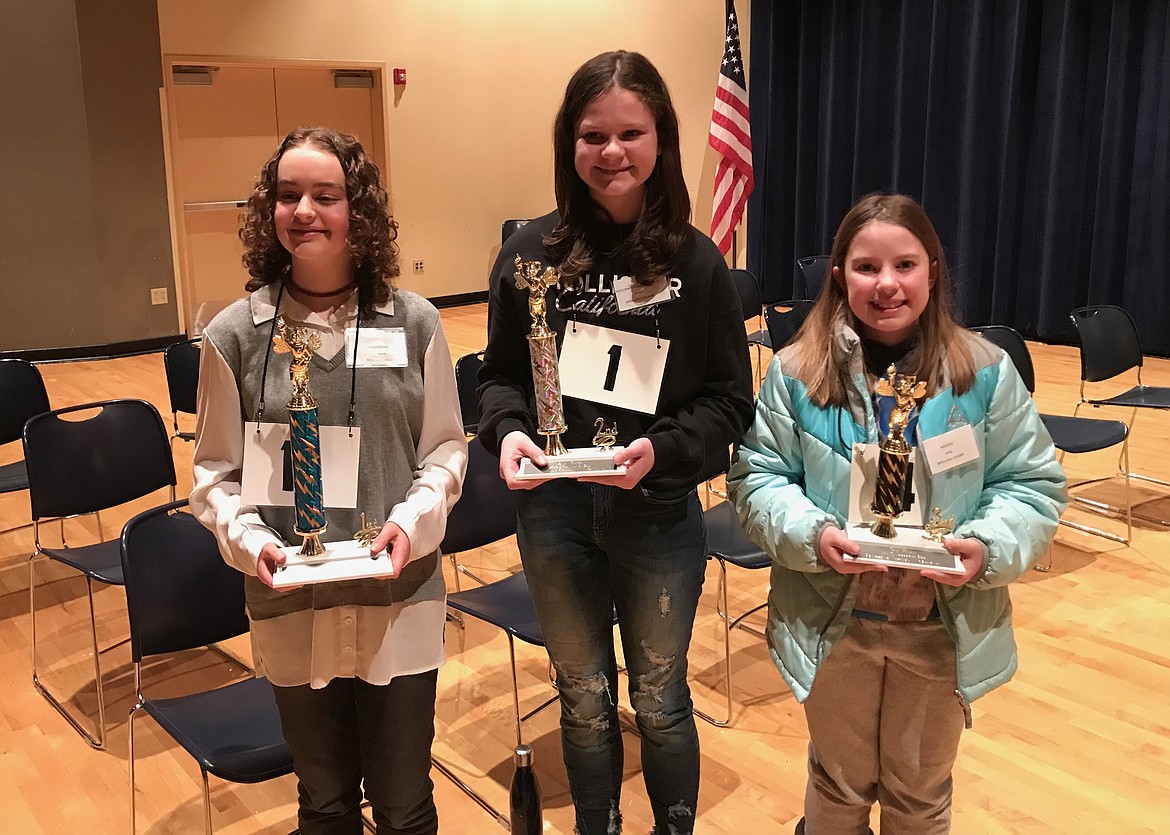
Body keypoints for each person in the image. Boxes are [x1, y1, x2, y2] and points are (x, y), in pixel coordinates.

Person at [728, 192, 1068, 834]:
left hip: (938, 626)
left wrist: (986, 548)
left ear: (933, 271)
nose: (886, 284)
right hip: (833, 621)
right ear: (838, 275)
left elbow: (1032, 485)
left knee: (920, 797)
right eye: (865, 267)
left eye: (905, 265)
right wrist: (812, 532)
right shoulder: (796, 373)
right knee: (837, 788)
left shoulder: (985, 373)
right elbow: (756, 480)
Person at [477, 51, 755, 835]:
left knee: (661, 698)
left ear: (661, 138)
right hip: (555, 511)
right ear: (569, 143)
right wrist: (505, 433)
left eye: (631, 132)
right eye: (592, 134)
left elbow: (732, 402)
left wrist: (663, 452)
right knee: (583, 692)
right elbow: (497, 377)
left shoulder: (698, 263)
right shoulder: (528, 256)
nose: (611, 152)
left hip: (658, 513)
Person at [190, 126, 467, 835]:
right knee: (325, 804)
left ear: (360, 211)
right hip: (294, 613)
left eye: (326, 195)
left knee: (405, 805)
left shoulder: (415, 324)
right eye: (288, 195)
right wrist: (249, 540)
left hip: (397, 603)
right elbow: (215, 476)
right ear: (268, 211)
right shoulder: (234, 335)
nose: (304, 210)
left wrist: (412, 520)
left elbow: (443, 451)